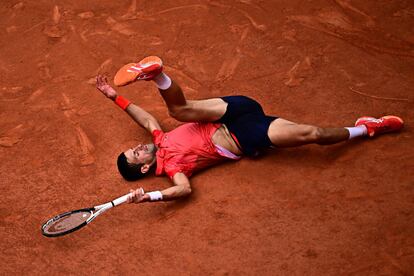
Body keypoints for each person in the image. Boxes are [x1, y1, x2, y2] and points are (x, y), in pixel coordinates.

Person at [95, 56, 404, 204]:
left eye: (133, 149)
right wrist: (149, 197)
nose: (137, 148)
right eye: (136, 154)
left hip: (231, 110)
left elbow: (146, 119)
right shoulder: (175, 167)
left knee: (179, 110)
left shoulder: (158, 138)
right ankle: (367, 128)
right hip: (248, 134)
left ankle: (158, 74)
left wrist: (115, 97)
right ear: (146, 166)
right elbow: (184, 190)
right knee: (315, 135)